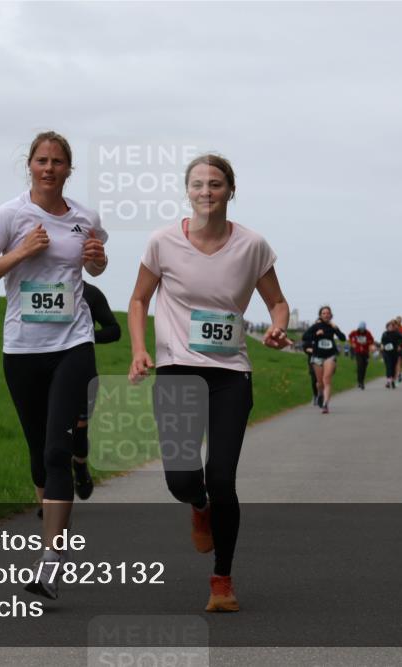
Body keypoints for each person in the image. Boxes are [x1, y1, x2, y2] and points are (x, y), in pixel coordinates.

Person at [127, 154, 290, 612]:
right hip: (177, 369)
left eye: (215, 184)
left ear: (229, 191)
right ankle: (197, 506)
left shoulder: (253, 245)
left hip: (230, 376)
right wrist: (140, 350)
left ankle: (222, 579)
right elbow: (139, 300)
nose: (206, 192)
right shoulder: (162, 242)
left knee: (223, 477)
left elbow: (277, 302)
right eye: (197, 184)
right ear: (187, 191)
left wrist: (277, 326)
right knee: (182, 479)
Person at [0, 131, 109, 600]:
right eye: (42, 160)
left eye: (58, 161)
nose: (49, 168)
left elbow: (96, 267)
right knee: (37, 458)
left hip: (74, 342)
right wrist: (21, 252)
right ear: (29, 165)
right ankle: (55, 529)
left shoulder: (86, 218)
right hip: (23, 348)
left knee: (55, 451)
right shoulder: (8, 215)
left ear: (69, 169)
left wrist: (98, 259)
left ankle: (50, 562)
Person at [71, 282, 121, 499]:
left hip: (82, 370)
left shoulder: (90, 293)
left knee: (78, 428)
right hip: (44, 368)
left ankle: (80, 464)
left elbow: (114, 330)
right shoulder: (36, 288)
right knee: (49, 434)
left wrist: (86, 335)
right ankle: (54, 494)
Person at [302, 306, 346, 414]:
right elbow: (305, 337)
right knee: (319, 382)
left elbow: (343, 338)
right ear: (320, 315)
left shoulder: (332, 326)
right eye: (324, 313)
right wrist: (315, 334)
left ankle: (326, 404)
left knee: (327, 379)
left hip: (330, 355)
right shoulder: (316, 326)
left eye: (328, 313)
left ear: (331, 315)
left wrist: (336, 328)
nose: (326, 315)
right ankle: (320, 394)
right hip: (317, 356)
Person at [379, 320, 402, 388]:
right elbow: (382, 341)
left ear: (393, 327)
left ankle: (393, 381)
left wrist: (400, 346)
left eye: (391, 326)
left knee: (393, 367)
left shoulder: (396, 333)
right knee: (388, 366)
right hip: (386, 352)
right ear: (387, 327)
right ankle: (388, 381)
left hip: (394, 352)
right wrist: (382, 345)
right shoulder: (384, 334)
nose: (390, 328)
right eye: (389, 326)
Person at [348, 322, 375, 390]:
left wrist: (367, 342)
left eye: (363, 329)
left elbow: (371, 340)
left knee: (364, 367)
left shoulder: (368, 333)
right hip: (358, 352)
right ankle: (360, 382)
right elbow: (350, 336)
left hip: (365, 352)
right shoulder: (354, 332)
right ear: (359, 328)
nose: (362, 330)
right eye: (360, 329)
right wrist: (352, 342)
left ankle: (362, 381)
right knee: (360, 366)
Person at [303, 319, 322, 406]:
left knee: (321, 380)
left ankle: (321, 395)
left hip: (323, 360)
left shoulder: (325, 335)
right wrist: (312, 350)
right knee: (314, 380)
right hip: (313, 360)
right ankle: (315, 395)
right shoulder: (310, 336)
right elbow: (306, 347)